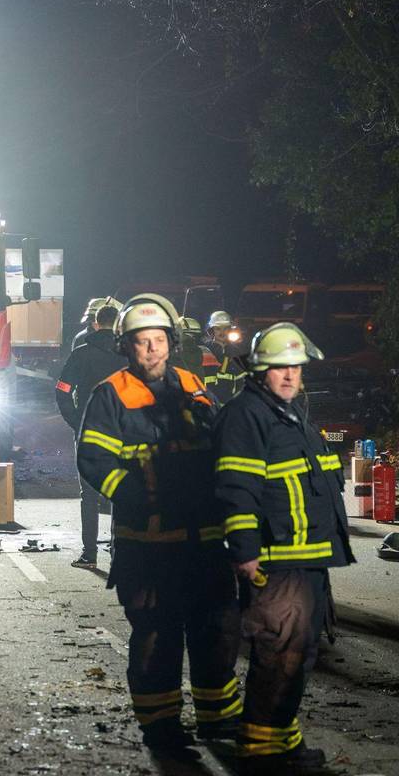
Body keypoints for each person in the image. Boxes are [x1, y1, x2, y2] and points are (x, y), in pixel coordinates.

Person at [77, 293, 241, 759]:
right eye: (141, 341)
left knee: (217, 630)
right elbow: (93, 459)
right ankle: (162, 728)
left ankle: (218, 719)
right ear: (126, 346)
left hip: (204, 540)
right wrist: (139, 497)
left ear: (171, 342)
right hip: (147, 545)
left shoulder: (193, 385)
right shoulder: (110, 394)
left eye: (159, 340)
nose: (151, 349)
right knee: (156, 636)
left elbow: (219, 444)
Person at [214, 322, 353, 773]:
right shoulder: (247, 415)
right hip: (276, 559)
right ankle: (261, 751)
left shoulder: (288, 412)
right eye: (279, 367)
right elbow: (237, 486)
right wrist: (246, 550)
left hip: (305, 555)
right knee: (280, 653)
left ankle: (278, 741)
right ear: (260, 370)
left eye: (296, 367)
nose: (290, 375)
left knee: (296, 654)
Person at [54, 304, 125, 568]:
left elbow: (62, 390)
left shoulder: (81, 354)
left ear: (95, 324)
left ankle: (90, 555)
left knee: (90, 495)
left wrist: (76, 422)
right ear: (118, 326)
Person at [203, 311, 246, 403]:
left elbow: (242, 379)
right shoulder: (205, 350)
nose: (222, 332)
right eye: (218, 328)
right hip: (209, 401)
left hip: (230, 402)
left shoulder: (236, 351)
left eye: (225, 328)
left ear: (230, 329)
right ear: (212, 330)